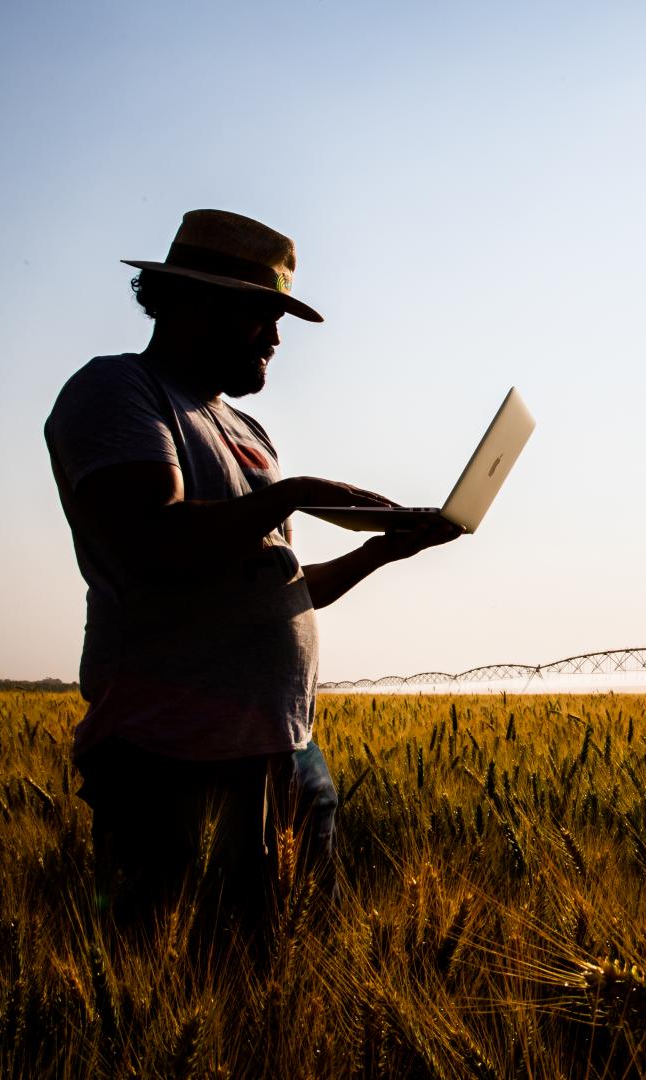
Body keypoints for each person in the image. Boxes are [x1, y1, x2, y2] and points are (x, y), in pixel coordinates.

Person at [44, 209, 460, 939]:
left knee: (290, 976)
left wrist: (379, 553)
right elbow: (151, 540)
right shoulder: (119, 392)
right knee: (182, 978)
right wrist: (293, 492)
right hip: (174, 759)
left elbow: (275, 584)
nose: (274, 339)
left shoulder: (247, 431)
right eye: (261, 316)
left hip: (289, 747)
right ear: (193, 305)